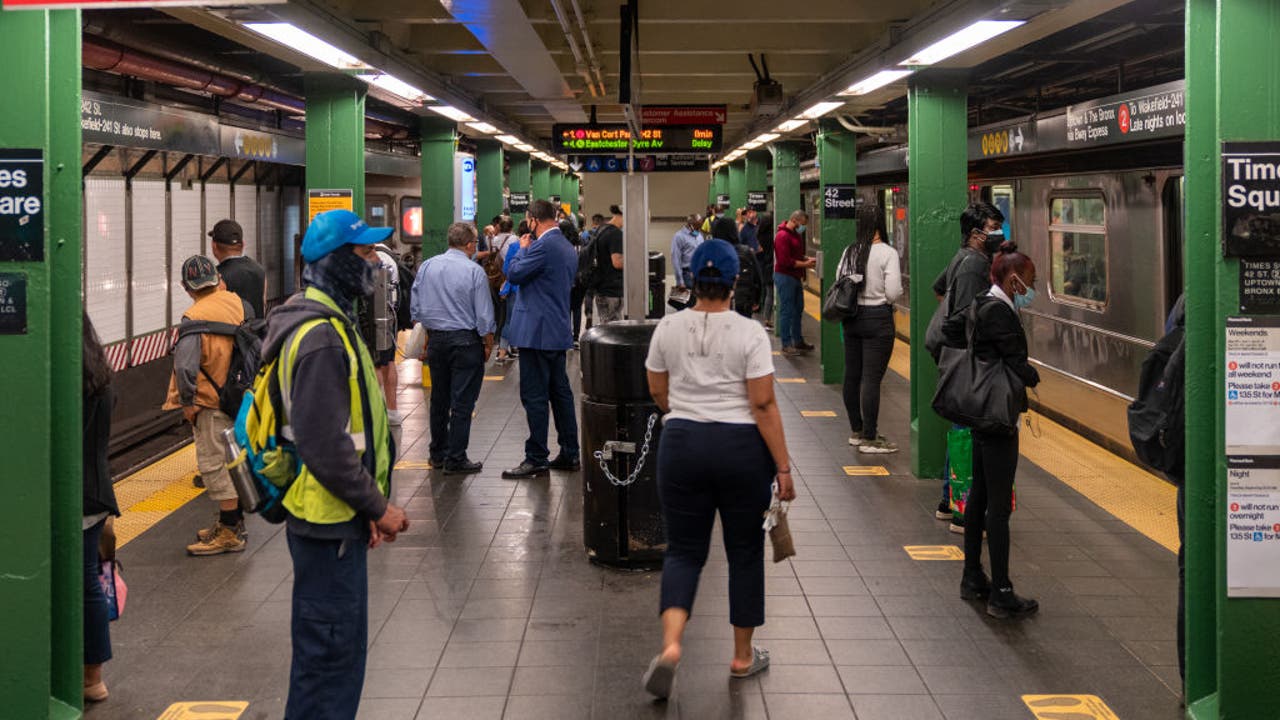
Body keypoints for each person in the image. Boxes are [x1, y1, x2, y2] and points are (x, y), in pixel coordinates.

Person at [640, 238, 797, 699]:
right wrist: (783, 467)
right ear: (734, 281)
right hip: (740, 450)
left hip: (682, 445)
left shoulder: (667, 328)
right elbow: (763, 404)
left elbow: (657, 390)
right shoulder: (750, 333)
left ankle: (671, 646)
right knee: (744, 552)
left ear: (692, 280)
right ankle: (742, 657)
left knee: (683, 552)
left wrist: (686, 414)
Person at [268, 209, 410, 719]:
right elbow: (325, 444)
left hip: (336, 519)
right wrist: (378, 506)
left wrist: (363, 509)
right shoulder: (321, 338)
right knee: (328, 662)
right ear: (336, 262)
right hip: (326, 525)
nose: (375, 263)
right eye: (366, 253)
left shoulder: (329, 324)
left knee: (336, 657)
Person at [960, 246, 1041, 620]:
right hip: (997, 417)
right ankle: (1001, 592)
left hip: (982, 412)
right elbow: (1016, 361)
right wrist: (1033, 376)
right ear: (1013, 280)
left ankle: (973, 576)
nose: (1031, 289)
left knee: (979, 495)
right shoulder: (998, 311)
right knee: (998, 505)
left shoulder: (982, 303)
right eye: (1030, 282)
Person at [164, 255, 247, 555]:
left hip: (210, 402)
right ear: (217, 280)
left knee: (216, 465)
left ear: (186, 287)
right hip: (237, 396)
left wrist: (187, 402)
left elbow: (185, 367)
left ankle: (228, 533)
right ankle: (232, 522)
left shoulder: (194, 317)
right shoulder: (237, 303)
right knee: (234, 461)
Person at [931, 202, 1007, 530]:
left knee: (961, 428)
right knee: (968, 432)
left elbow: (939, 290)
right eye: (993, 228)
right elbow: (965, 316)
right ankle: (964, 512)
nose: (999, 234)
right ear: (976, 234)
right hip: (969, 359)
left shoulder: (961, 257)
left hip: (959, 355)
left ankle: (949, 500)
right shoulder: (975, 264)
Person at [502, 199, 581, 479]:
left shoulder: (542, 246)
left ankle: (536, 457)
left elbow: (514, 274)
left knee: (534, 396)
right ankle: (570, 452)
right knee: (560, 395)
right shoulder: (567, 246)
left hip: (536, 333)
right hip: (556, 330)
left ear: (534, 220)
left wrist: (522, 250)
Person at [412, 222, 496, 474]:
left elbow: (416, 308)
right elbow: (484, 316)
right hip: (465, 343)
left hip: (436, 342)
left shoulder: (427, 266)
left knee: (439, 399)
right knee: (462, 402)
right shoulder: (474, 271)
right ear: (469, 244)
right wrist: (488, 343)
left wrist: (428, 334)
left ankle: (437, 453)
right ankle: (456, 458)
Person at [841, 204, 902, 454]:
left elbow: (840, 281)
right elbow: (893, 292)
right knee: (871, 379)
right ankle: (870, 437)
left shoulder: (850, 251)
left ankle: (857, 431)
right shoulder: (888, 253)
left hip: (852, 317)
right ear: (880, 224)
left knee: (852, 375)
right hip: (878, 318)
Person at [82, 313, 120, 703]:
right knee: (88, 582)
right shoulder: (102, 377)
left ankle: (89, 679)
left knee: (81, 583)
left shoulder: (62, 379)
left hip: (72, 498)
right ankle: (92, 676)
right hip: (96, 494)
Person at [773, 210, 816, 355]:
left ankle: (798, 341)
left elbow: (795, 255)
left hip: (795, 277)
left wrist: (806, 258)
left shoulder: (794, 234)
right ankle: (786, 344)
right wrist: (805, 265)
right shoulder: (782, 236)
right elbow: (785, 261)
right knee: (787, 310)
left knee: (798, 309)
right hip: (785, 277)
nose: (803, 227)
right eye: (802, 223)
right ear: (795, 220)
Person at [209, 219, 265, 320]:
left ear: (214, 246)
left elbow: (211, 315)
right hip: (258, 329)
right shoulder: (260, 270)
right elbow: (263, 305)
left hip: (230, 330)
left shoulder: (216, 277)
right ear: (243, 244)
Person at [710, 216, 760, 318]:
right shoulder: (747, 251)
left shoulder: (711, 253)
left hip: (718, 303)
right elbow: (757, 278)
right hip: (744, 302)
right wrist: (756, 300)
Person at [490, 217, 518, 360]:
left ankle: (502, 344)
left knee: (500, 312)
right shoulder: (515, 241)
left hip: (496, 279)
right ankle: (505, 348)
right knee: (509, 317)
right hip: (509, 282)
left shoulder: (494, 240)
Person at [592, 204, 625, 324]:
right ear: (621, 216)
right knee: (612, 330)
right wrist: (634, 260)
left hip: (602, 289)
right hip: (611, 292)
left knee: (608, 327)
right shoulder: (615, 234)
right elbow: (617, 262)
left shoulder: (602, 230)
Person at [671, 214, 704, 291]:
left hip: (699, 273)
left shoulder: (699, 236)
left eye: (700, 227)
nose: (699, 230)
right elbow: (676, 259)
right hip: (687, 274)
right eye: (697, 227)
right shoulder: (679, 236)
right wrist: (680, 281)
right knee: (691, 297)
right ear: (690, 225)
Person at [757, 213, 776, 329]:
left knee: (769, 293)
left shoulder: (759, 235)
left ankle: (767, 318)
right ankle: (768, 319)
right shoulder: (772, 236)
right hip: (771, 266)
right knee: (771, 294)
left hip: (764, 267)